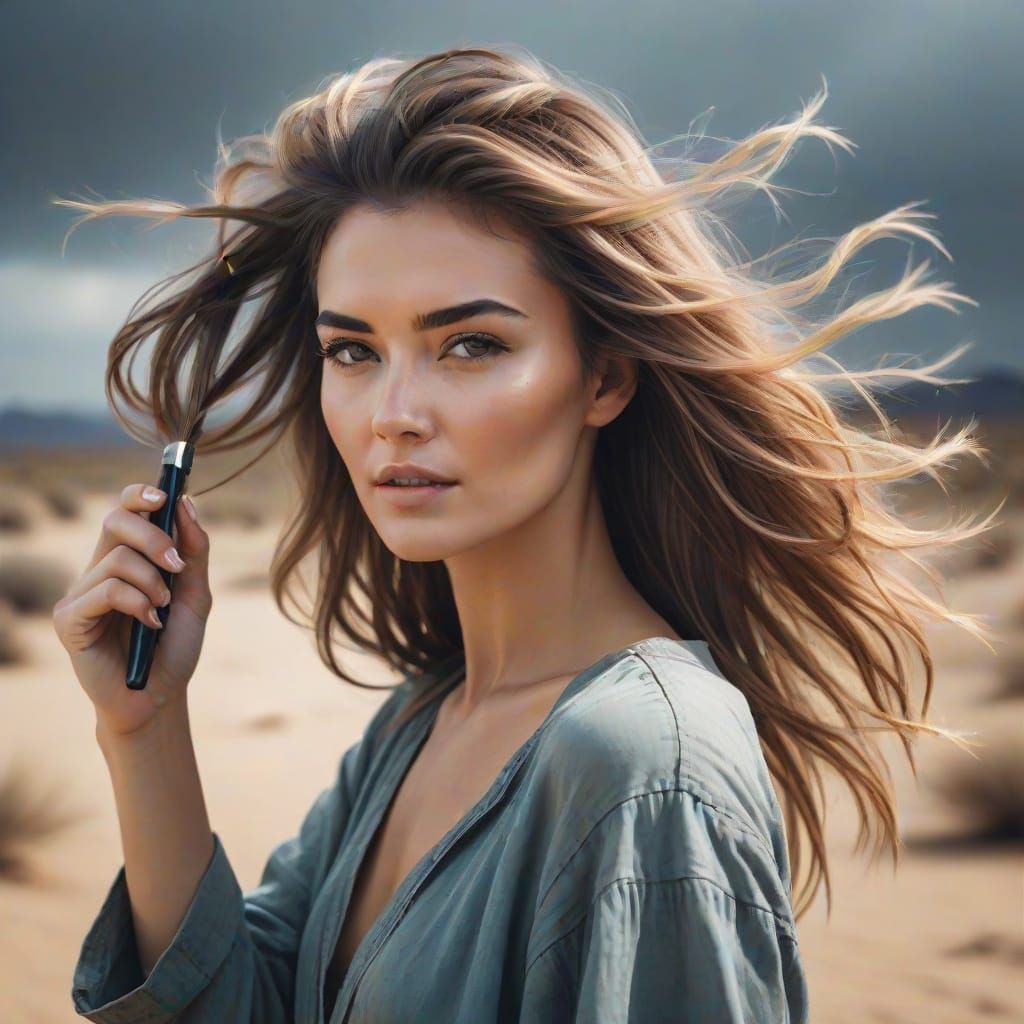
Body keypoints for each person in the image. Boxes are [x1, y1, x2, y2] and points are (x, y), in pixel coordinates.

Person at [52, 44, 994, 1024]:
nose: (393, 412)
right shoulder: (424, 719)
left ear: (604, 377)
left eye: (470, 344)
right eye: (352, 350)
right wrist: (143, 727)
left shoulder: (640, 764)